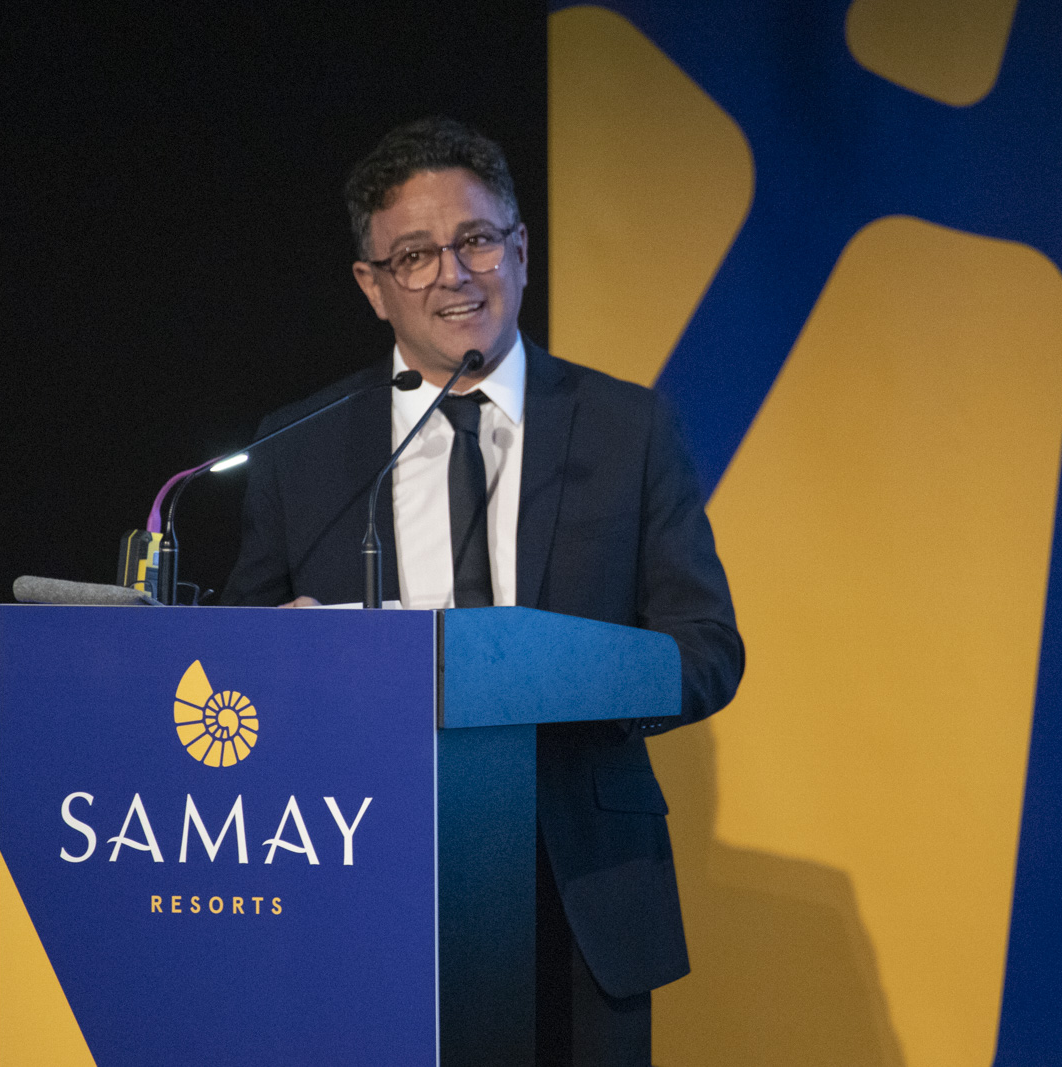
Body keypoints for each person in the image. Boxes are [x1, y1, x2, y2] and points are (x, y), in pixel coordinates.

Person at [222, 117, 744, 1066]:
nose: (453, 275)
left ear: (522, 250)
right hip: (360, 874)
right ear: (372, 285)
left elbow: (707, 647)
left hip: (578, 887)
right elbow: (237, 665)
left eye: (475, 240)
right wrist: (281, 661)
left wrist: (550, 672)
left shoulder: (625, 426)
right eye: (414, 255)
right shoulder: (302, 446)